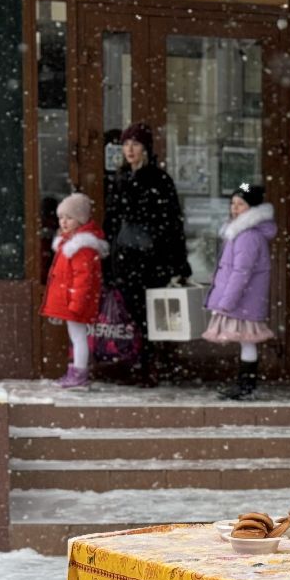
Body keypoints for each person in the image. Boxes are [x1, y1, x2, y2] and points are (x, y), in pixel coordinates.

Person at [102, 122, 192, 385]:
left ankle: (152, 367)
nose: (130, 150)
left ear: (146, 148)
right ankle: (136, 364)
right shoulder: (119, 178)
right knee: (132, 313)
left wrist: (178, 263)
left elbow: (172, 223)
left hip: (153, 261)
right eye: (126, 144)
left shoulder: (159, 180)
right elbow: (112, 222)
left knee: (154, 316)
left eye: (135, 144)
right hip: (125, 260)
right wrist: (107, 258)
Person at [202, 182, 277, 400]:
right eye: (233, 203)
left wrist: (227, 301)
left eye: (240, 204)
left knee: (247, 340)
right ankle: (245, 384)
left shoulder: (248, 236)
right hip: (245, 300)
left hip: (244, 301)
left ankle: (246, 385)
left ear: (251, 209)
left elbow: (241, 272)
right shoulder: (241, 233)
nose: (234, 208)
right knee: (247, 341)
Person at [41, 192, 109, 389]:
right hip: (71, 299)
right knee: (76, 337)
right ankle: (75, 372)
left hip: (75, 301)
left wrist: (76, 303)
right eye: (61, 217)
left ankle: (79, 374)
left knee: (78, 338)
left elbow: (83, 279)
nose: (63, 222)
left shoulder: (81, 247)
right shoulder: (68, 244)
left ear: (80, 219)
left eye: (69, 218)